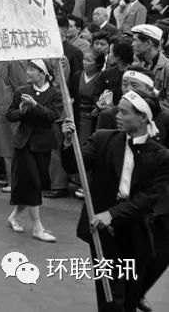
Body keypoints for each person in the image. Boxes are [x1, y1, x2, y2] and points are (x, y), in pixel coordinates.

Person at [61, 90, 169, 312]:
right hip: (103, 233)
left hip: (136, 231)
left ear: (143, 117)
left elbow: (149, 197)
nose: (117, 116)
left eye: (124, 112)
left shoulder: (161, 156)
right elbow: (74, 165)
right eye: (118, 110)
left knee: (130, 297)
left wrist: (112, 214)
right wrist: (68, 142)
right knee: (111, 299)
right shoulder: (103, 139)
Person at [5, 59, 61, 242]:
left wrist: (35, 106)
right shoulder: (21, 91)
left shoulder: (55, 94)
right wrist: (21, 111)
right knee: (33, 184)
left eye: (32, 69)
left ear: (42, 73)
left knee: (32, 185)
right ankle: (37, 227)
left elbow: (52, 116)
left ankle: (14, 217)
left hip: (43, 145)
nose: (27, 72)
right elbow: (10, 115)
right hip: (24, 145)